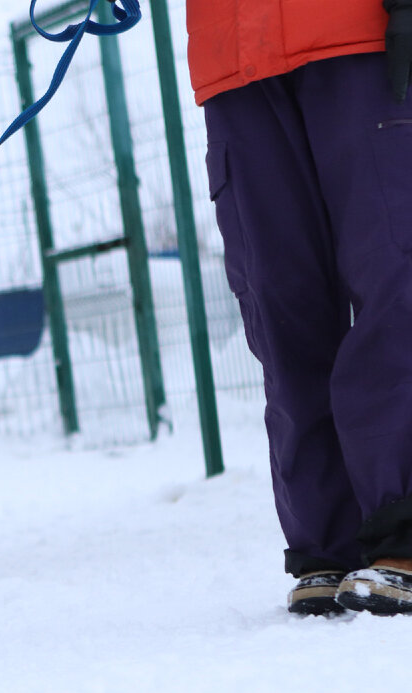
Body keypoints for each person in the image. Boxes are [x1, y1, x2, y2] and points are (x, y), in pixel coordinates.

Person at [187, 0, 412, 615]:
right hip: (233, 62)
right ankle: (327, 542)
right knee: (280, 305)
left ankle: (403, 531)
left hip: (365, 37)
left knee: (395, 280)